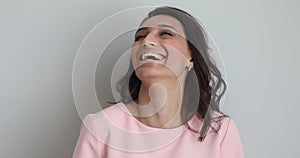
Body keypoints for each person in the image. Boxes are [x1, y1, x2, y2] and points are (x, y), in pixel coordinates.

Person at [73, 6, 244, 158]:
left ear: (191, 57)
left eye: (166, 34)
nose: (147, 41)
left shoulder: (220, 131)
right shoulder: (100, 127)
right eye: (140, 36)